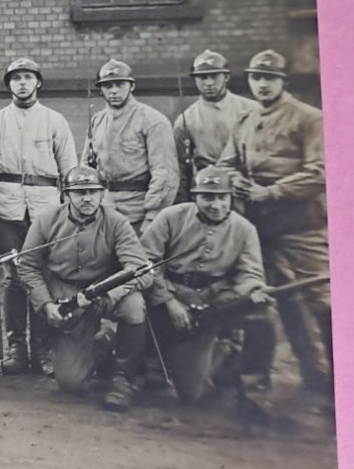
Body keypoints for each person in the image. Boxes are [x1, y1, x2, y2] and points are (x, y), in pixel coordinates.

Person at [218, 49, 331, 401]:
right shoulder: (245, 121)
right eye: (256, 78)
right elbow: (225, 163)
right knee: (259, 303)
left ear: (283, 81)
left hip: (302, 227)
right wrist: (233, 179)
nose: (262, 84)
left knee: (322, 302)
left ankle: (332, 385)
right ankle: (255, 387)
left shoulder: (309, 118)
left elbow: (321, 172)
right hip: (260, 231)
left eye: (269, 78)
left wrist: (273, 192)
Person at [140, 167, 279, 420]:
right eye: (208, 197)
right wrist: (169, 301)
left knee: (262, 313)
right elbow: (144, 264)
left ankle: (247, 385)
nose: (216, 205)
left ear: (230, 198)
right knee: (188, 392)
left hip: (214, 300)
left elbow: (250, 273)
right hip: (171, 295)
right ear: (195, 197)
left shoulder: (244, 229)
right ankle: (147, 364)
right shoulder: (171, 217)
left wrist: (255, 290)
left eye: (222, 197)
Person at [0, 56, 78, 375]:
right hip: (7, 209)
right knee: (13, 279)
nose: (22, 83)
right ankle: (16, 345)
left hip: (46, 209)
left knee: (44, 277)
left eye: (28, 77)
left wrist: (70, 213)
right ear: (9, 84)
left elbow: (70, 169)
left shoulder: (55, 121)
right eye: (16, 78)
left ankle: (42, 347)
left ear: (38, 82)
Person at [19, 165, 152, 412]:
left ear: (102, 194)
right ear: (66, 195)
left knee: (134, 306)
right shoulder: (46, 220)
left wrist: (111, 293)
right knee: (71, 382)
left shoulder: (116, 222)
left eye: (93, 191)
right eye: (79, 193)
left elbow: (141, 270)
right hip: (66, 295)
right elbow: (27, 266)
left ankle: (122, 377)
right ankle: (103, 343)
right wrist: (46, 304)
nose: (87, 198)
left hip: (107, 293)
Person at [82, 59, 179, 234]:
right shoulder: (97, 120)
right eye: (107, 86)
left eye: (119, 84)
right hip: (103, 209)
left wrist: (152, 215)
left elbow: (165, 172)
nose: (113, 91)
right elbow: (87, 168)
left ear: (131, 86)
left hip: (138, 209)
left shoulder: (152, 120)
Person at [174, 50, 257, 198]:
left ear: (226, 77)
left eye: (214, 76)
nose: (209, 83)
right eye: (203, 77)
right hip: (209, 187)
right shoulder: (186, 119)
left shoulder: (251, 109)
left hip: (246, 185)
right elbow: (181, 168)